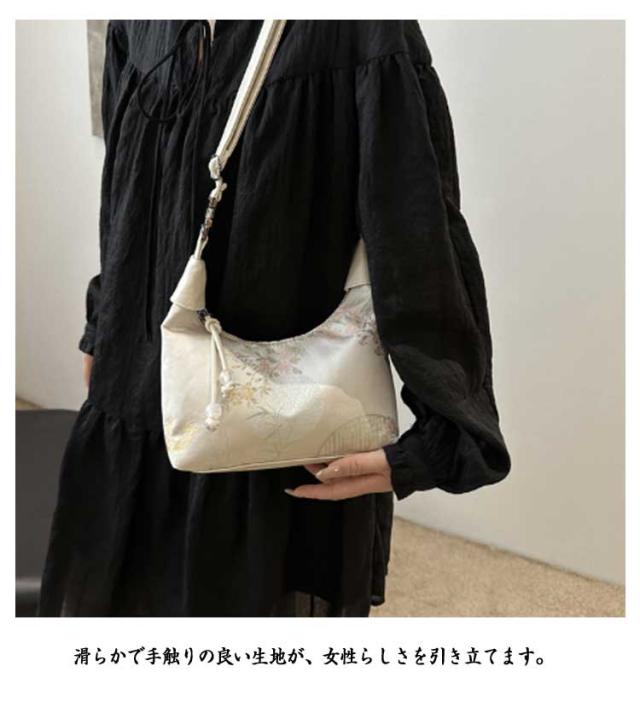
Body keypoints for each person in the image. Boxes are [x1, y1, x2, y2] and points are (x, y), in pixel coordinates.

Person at [37, 19, 510, 617]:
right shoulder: (137, 19)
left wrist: (441, 436)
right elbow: (125, 182)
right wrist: (104, 315)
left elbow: (416, 226)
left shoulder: (357, 29)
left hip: (274, 425)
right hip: (135, 385)